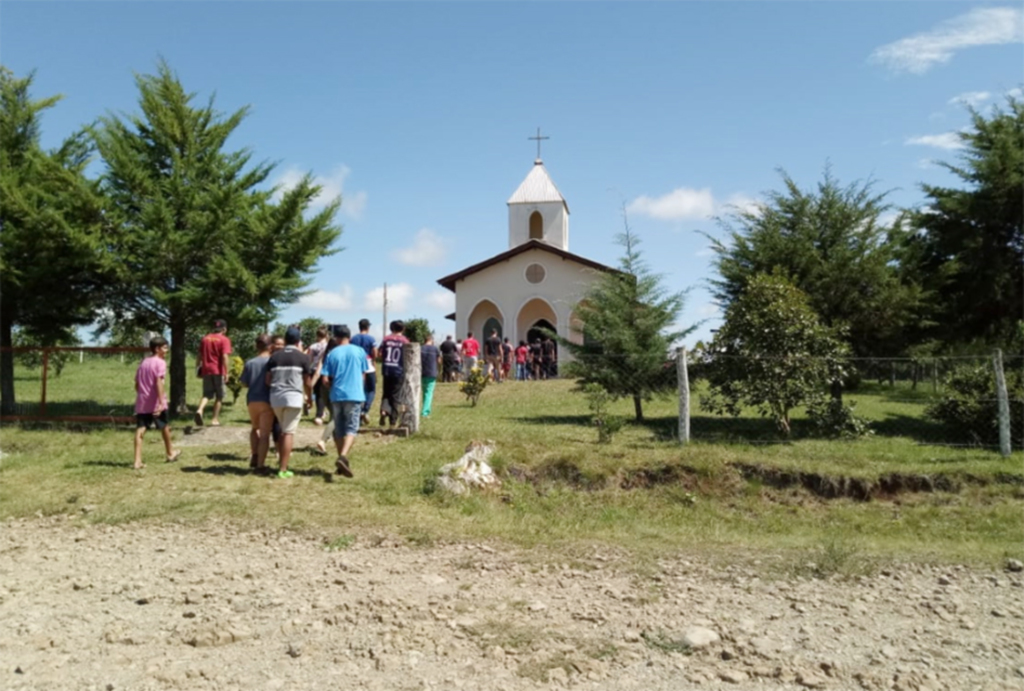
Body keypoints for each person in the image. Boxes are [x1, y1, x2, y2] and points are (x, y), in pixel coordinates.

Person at [319, 324, 371, 478]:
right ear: (349, 336)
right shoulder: (359, 351)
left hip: (336, 395)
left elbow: (325, 379)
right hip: (354, 394)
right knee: (352, 428)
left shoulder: (332, 353)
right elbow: (363, 374)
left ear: (336, 337)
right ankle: (343, 457)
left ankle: (341, 462)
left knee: (339, 428)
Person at [265, 327, 313, 479]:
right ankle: (283, 468)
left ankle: (281, 461)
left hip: (276, 397)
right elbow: (307, 382)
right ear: (298, 341)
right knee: (288, 432)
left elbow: (267, 380)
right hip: (293, 397)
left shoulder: (274, 357)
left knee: (282, 429)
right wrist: (310, 398)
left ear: (285, 340)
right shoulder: (303, 358)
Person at [133, 336, 181, 469]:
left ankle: (137, 461)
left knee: (140, 429)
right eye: (165, 348)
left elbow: (136, 384)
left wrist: (142, 394)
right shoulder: (160, 363)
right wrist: (161, 402)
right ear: (157, 349)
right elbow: (159, 383)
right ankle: (170, 453)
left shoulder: (143, 362)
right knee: (164, 426)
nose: (167, 350)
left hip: (143, 402)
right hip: (155, 402)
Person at [239, 333, 274, 473]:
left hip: (252, 399)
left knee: (255, 428)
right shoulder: (272, 361)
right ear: (270, 346)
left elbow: (244, 383)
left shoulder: (250, 362)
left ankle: (254, 454)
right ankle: (260, 464)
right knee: (265, 434)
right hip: (266, 400)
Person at [194, 319, 232, 427]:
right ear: (224, 329)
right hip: (218, 370)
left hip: (206, 370)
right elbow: (225, 356)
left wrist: (197, 368)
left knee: (207, 394)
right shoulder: (224, 340)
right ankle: (214, 419)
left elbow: (199, 355)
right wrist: (226, 372)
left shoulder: (205, 339)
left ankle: (200, 410)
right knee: (219, 396)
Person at [379, 320, 409, 427]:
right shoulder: (404, 341)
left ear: (392, 328)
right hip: (398, 370)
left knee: (386, 393)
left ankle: (384, 410)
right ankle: (393, 420)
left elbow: (380, 353)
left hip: (387, 369)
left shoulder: (386, 339)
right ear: (403, 329)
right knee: (396, 395)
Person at [350, 318, 378, 425]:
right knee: (370, 390)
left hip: (356, 366)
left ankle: (358, 411)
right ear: (368, 327)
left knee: (358, 389)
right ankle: (365, 409)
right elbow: (374, 352)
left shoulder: (353, 339)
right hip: (369, 365)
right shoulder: (371, 339)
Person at [307, 326, 330, 425]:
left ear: (317, 335)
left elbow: (309, 359)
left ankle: (320, 413)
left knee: (318, 394)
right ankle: (321, 413)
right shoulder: (329, 346)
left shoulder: (313, 346)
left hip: (314, 370)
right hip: (326, 370)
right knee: (325, 393)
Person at [420, 334, 441, 417]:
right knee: (429, 393)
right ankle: (425, 412)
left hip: (422, 372)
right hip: (431, 373)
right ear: (431, 340)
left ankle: (424, 408)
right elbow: (439, 361)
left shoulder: (421, 348)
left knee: (424, 392)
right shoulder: (435, 349)